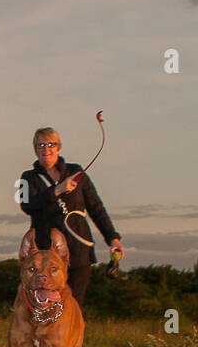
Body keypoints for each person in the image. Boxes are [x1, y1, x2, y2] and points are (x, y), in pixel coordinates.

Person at [19, 126, 125, 304]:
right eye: (41, 145)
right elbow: (27, 206)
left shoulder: (76, 172)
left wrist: (112, 238)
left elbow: (96, 207)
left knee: (73, 306)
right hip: (45, 253)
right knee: (46, 306)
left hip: (78, 250)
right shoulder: (27, 178)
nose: (46, 148)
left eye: (51, 144)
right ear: (35, 150)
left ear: (58, 147)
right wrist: (57, 191)